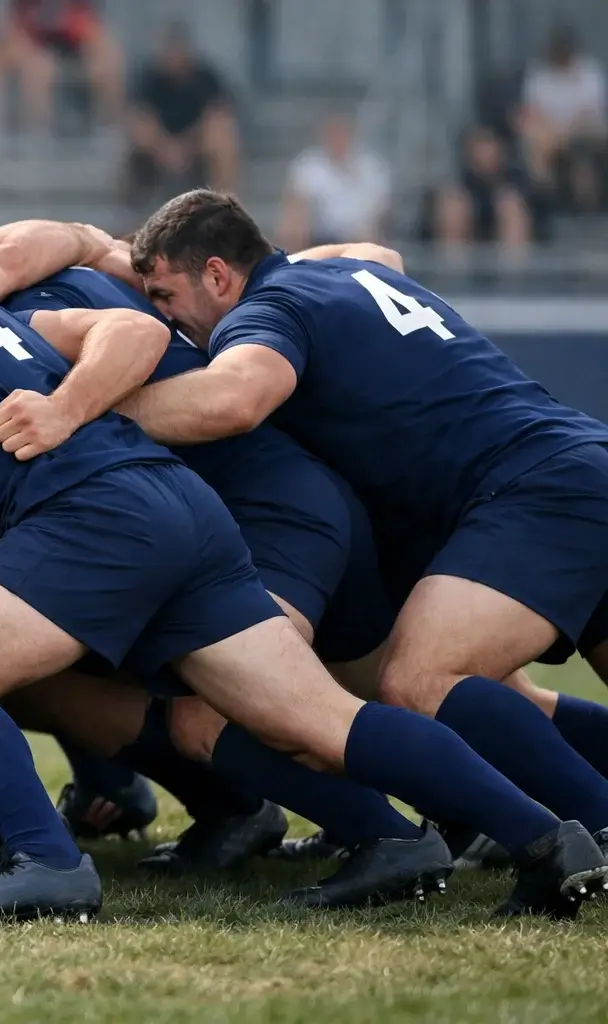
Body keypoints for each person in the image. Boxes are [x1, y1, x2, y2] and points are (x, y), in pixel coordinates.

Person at [0, 206, 607, 921]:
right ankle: (546, 839)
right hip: (180, 506)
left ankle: (47, 862)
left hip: (120, 512)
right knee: (319, 717)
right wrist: (87, 249)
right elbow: (29, 257)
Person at [122, 189, 608, 871]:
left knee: (419, 682)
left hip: (531, 489)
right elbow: (380, 251)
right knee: (498, 696)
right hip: (576, 461)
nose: (162, 316)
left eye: (165, 295)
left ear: (218, 275)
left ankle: (592, 826)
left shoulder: (266, 310)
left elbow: (234, 398)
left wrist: (91, 407)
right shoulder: (343, 270)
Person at [0, 0, 124, 144]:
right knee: (33, 68)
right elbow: (12, 24)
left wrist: (83, 36)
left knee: (108, 61)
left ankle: (110, 133)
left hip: (74, 38)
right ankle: (26, 139)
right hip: (31, 40)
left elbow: (89, 24)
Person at [127, 24, 237, 199]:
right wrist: (166, 148)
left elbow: (218, 114)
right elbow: (141, 117)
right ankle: (133, 201)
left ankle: (223, 201)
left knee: (221, 136)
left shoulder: (205, 78)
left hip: (195, 145)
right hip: (160, 146)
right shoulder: (150, 78)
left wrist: (185, 147)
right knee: (140, 130)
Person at [519, 25, 606, 213]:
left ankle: (588, 205)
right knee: (535, 141)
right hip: (550, 134)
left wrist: (564, 133)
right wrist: (555, 132)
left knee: (583, 142)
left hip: (585, 131)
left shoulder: (589, 72)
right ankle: (545, 199)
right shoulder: (539, 75)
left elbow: (590, 114)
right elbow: (532, 113)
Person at [278, 114, 390, 251]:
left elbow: (380, 210)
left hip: (359, 236)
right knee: (294, 219)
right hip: (319, 238)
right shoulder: (309, 165)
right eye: (332, 134)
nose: (337, 139)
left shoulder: (370, 167)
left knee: (372, 234)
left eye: (342, 134)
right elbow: (295, 203)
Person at [432, 126, 536, 257]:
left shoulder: (518, 180)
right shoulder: (460, 181)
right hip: (465, 246)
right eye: (480, 146)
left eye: (488, 145)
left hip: (508, 248)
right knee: (453, 206)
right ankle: (452, 264)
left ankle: (514, 265)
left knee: (511, 207)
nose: (484, 152)